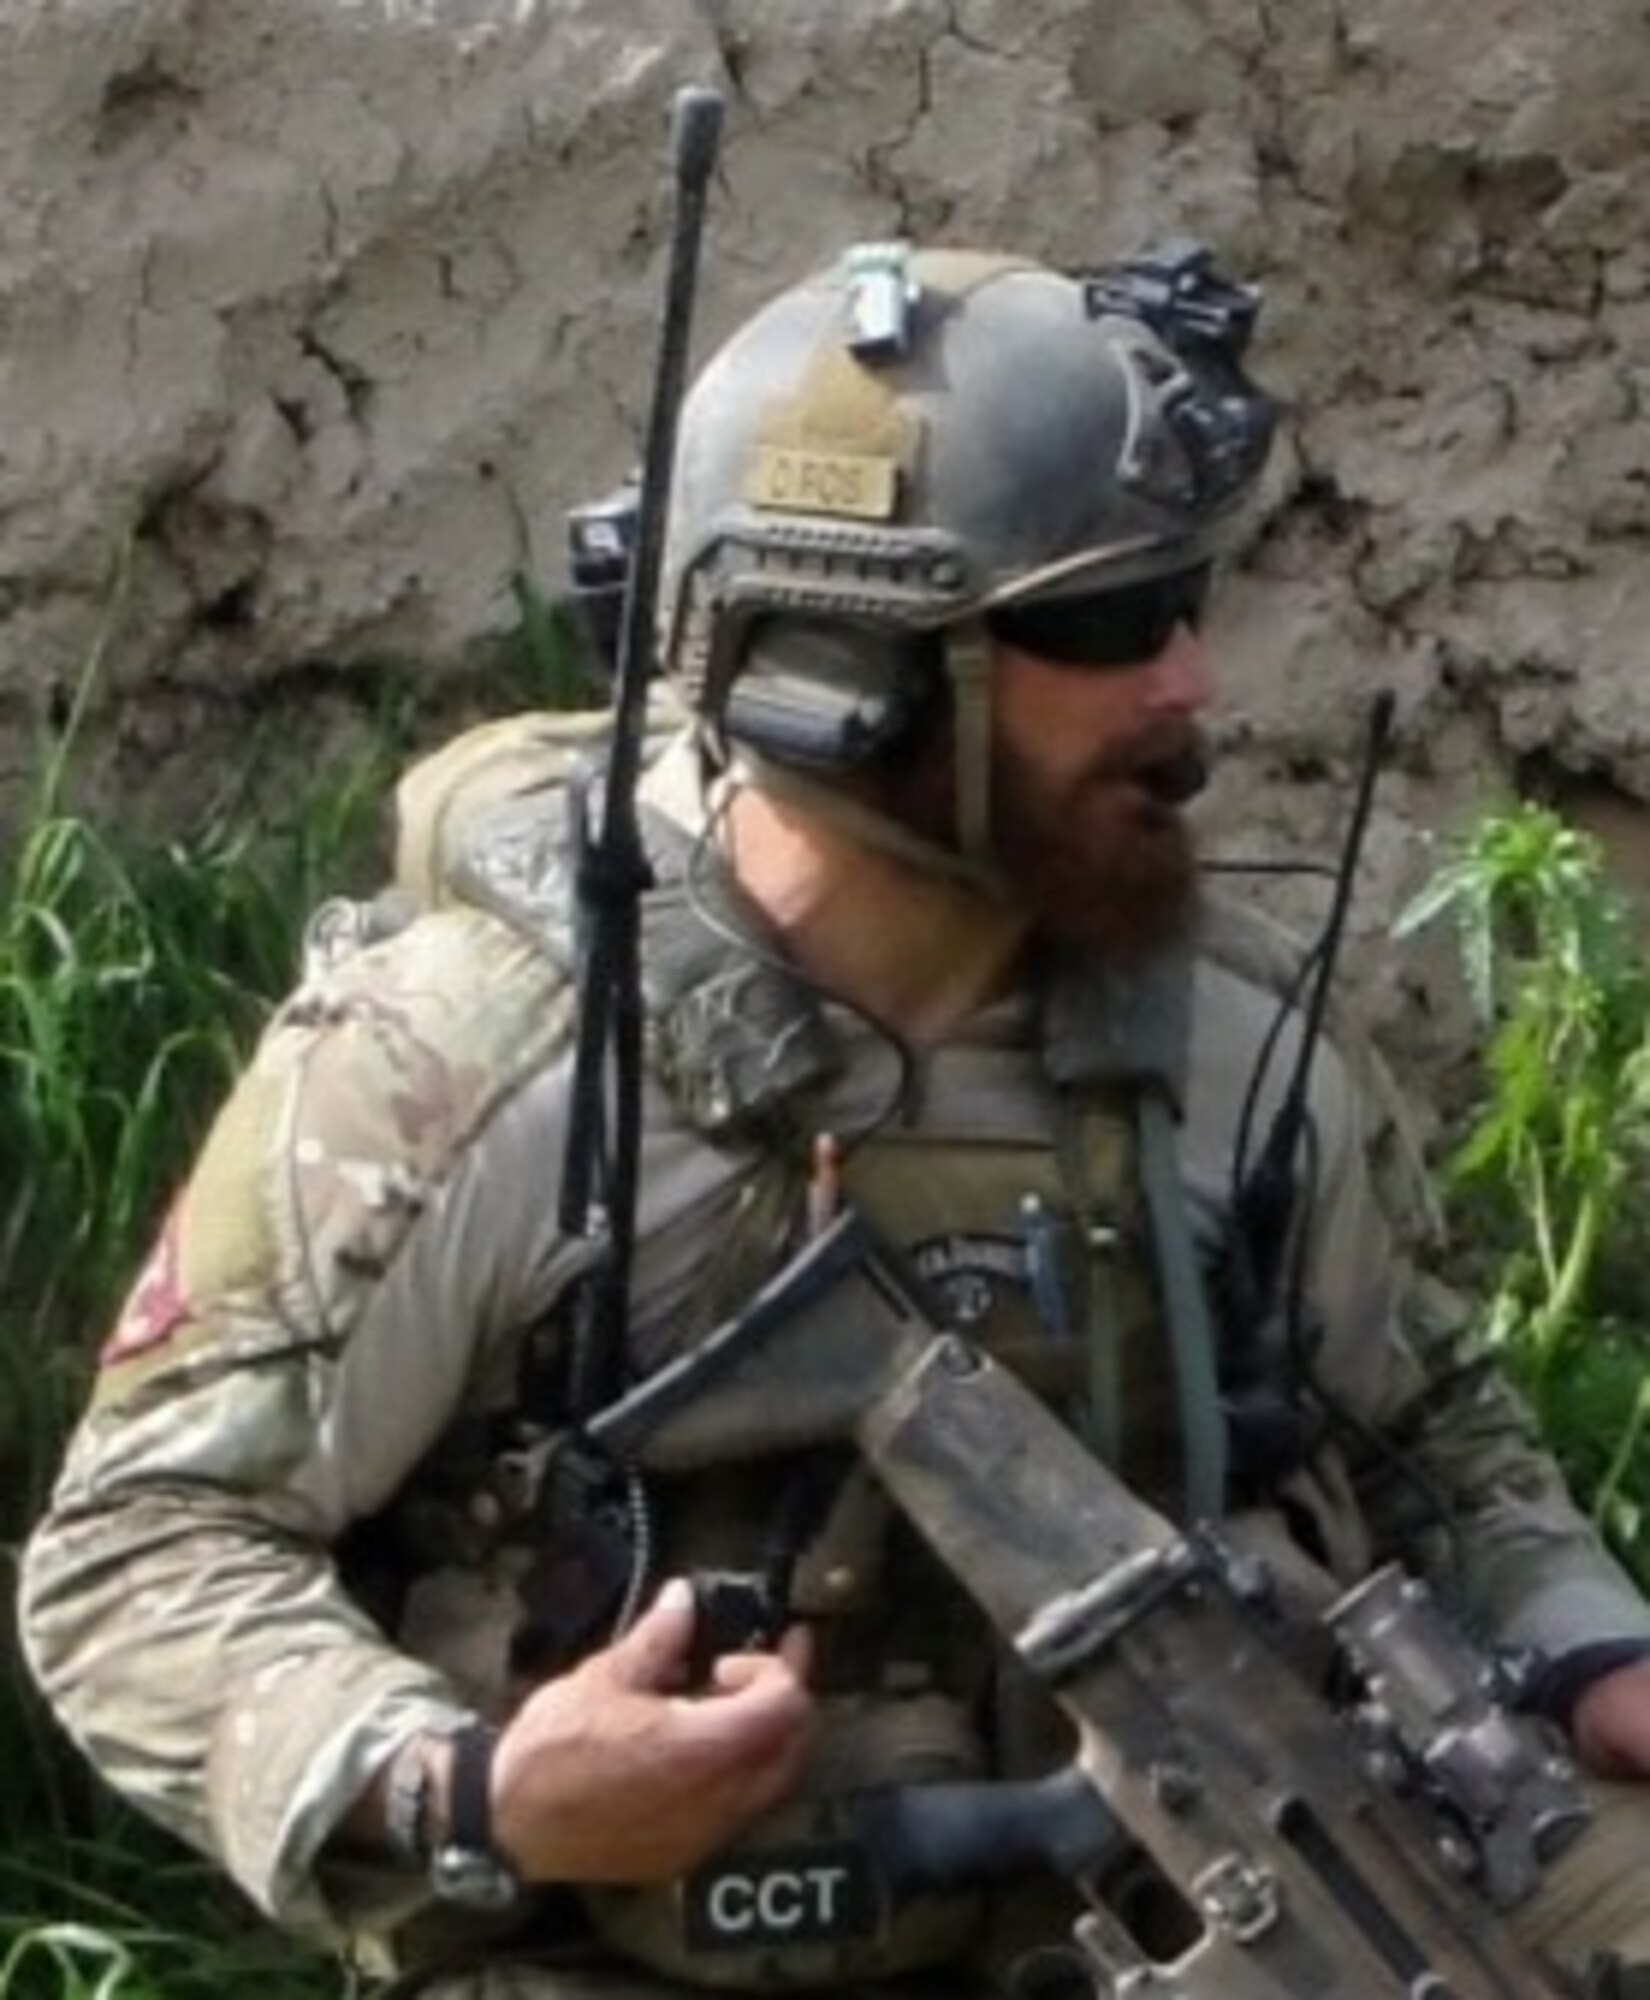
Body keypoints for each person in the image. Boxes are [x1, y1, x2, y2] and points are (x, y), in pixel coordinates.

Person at [21, 240, 1650, 2000]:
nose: (1188, 686)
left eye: (1187, 606)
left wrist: (1584, 1650)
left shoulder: (1232, 1049)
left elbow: (1437, 1439)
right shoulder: (486, 1066)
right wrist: (470, 1788)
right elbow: (137, 1553)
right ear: (843, 672)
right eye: (1103, 625)